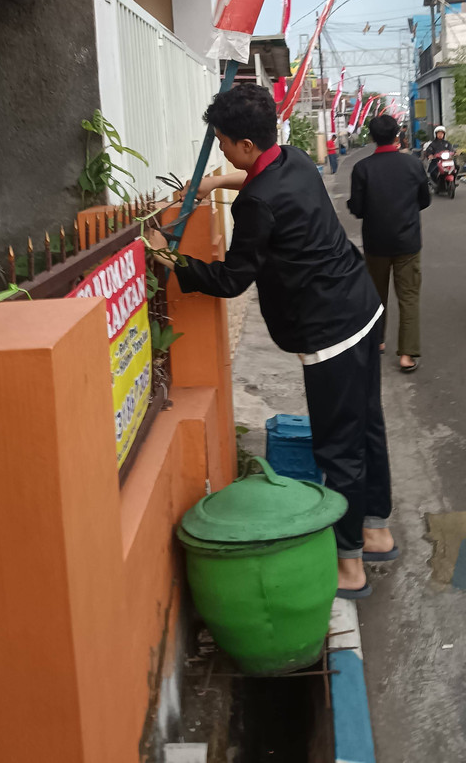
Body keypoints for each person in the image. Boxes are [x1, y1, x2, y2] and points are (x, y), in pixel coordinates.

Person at [146, 83, 395, 599]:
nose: (219, 149)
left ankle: (350, 567)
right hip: (364, 307)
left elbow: (233, 279)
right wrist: (217, 180)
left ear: (246, 145)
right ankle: (375, 530)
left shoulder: (256, 205)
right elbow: (258, 180)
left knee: (339, 449)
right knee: (367, 426)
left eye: (221, 143)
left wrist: (171, 261)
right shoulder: (295, 161)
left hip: (331, 332)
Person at [348, 114, 430, 373]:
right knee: (408, 297)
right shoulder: (413, 164)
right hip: (408, 242)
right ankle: (407, 355)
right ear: (397, 135)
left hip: (376, 243)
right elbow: (424, 201)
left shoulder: (362, 169)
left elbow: (358, 209)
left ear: (372, 137)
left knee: (376, 295)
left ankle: (378, 341)